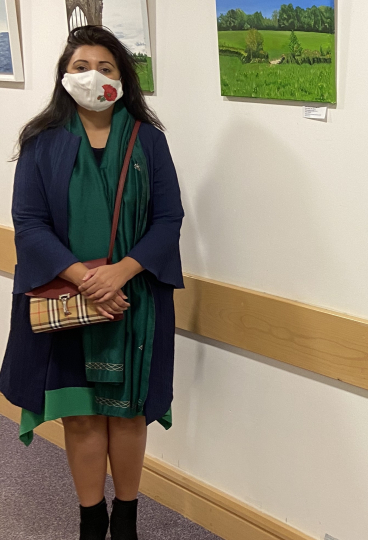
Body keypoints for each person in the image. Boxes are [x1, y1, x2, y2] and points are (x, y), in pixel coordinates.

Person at [0, 26, 184, 540]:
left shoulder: (149, 140)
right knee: (80, 417)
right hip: (67, 301)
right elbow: (29, 223)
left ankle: (125, 518)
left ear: (123, 77)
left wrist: (120, 272)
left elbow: (169, 218)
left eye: (106, 68)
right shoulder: (41, 143)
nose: (93, 77)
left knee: (126, 416)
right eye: (82, 67)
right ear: (65, 76)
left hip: (132, 301)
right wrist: (85, 278)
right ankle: (90, 520)